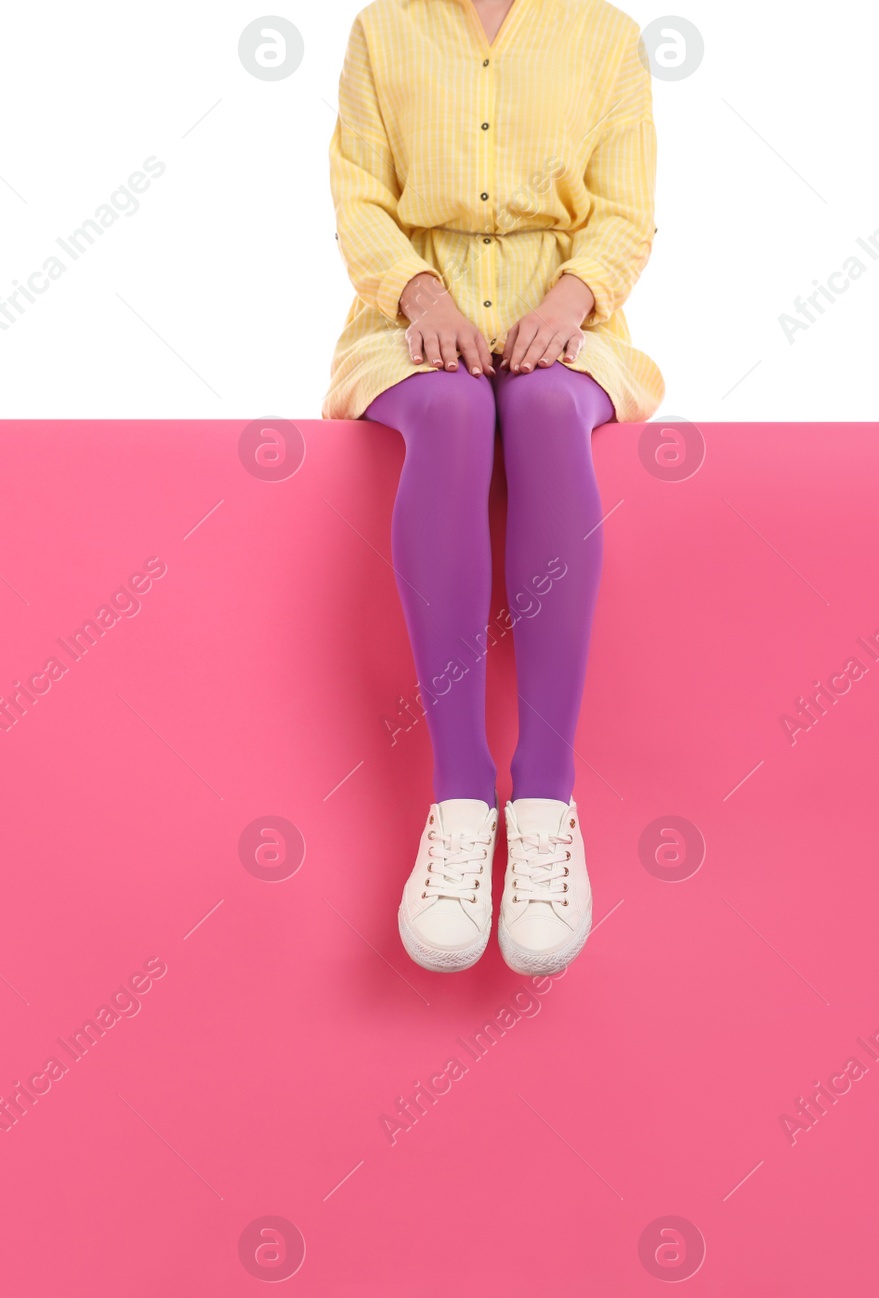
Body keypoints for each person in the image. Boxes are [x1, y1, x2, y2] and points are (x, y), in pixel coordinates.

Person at [322, 0, 663, 974]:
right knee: (458, 412)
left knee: (548, 413)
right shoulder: (382, 30)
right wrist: (419, 298)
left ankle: (547, 799)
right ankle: (461, 799)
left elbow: (623, 214)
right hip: (407, 327)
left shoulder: (603, 34)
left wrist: (567, 304)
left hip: (565, 325)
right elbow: (360, 199)